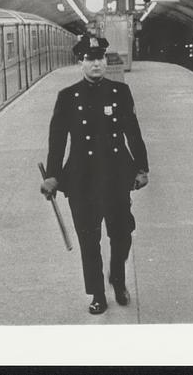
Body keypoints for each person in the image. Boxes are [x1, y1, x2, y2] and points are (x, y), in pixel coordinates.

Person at [40, 33, 149, 314]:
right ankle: (98, 293)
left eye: (100, 58)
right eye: (90, 59)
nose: (96, 64)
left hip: (116, 177)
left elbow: (133, 133)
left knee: (122, 235)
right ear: (81, 62)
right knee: (89, 241)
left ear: (105, 60)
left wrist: (142, 167)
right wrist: (52, 175)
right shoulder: (67, 97)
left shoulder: (119, 92)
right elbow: (57, 140)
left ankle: (118, 279)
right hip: (81, 180)